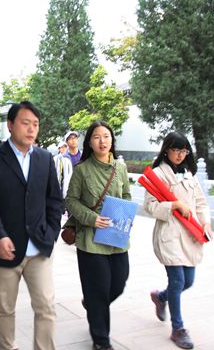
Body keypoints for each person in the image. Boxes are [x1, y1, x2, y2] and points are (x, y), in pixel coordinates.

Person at [0, 101, 63, 350]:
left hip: (39, 246)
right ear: (11, 125)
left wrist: (51, 233)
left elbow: (54, 199)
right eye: (26, 123)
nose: (31, 129)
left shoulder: (45, 158)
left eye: (35, 124)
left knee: (46, 307)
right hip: (6, 247)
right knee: (5, 308)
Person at [65, 121, 131, 350]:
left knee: (118, 283)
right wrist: (92, 218)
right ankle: (101, 340)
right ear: (90, 142)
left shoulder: (120, 168)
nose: (102, 141)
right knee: (99, 288)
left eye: (106, 136)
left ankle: (92, 304)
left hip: (116, 236)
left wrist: (126, 214)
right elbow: (70, 200)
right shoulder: (82, 169)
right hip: (90, 238)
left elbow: (126, 194)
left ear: (112, 140)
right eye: (96, 137)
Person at [144, 132, 213, 350]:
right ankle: (178, 328)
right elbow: (150, 206)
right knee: (177, 281)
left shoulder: (188, 173)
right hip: (170, 234)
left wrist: (206, 223)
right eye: (176, 150)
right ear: (166, 150)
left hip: (190, 233)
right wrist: (173, 205)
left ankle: (160, 297)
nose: (180, 155)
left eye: (184, 151)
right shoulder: (157, 174)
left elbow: (200, 202)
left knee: (188, 281)